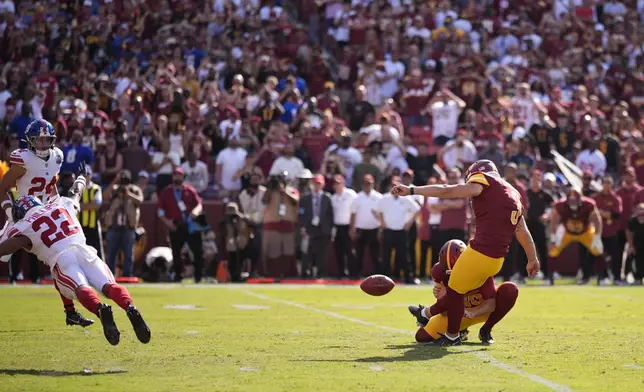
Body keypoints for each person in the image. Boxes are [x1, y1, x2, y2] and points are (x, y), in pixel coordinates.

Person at [391, 159, 539, 346]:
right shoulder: (514, 193)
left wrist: (412, 190)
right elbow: (522, 231)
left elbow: (446, 190)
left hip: (480, 252)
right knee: (457, 290)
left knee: (455, 291)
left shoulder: (483, 181)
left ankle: (452, 335)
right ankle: (430, 316)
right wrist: (532, 258)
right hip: (497, 259)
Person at [0, 167, 150, 346]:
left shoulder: (24, 225)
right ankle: (130, 308)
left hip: (62, 259)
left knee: (80, 289)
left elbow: (8, 247)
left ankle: (100, 310)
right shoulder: (61, 205)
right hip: (85, 250)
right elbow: (76, 191)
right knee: (109, 286)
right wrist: (81, 177)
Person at [0, 119, 92, 328]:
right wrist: (10, 213)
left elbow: (51, 185)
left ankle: (70, 312)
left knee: (59, 259)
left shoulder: (57, 156)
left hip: (47, 212)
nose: (42, 145)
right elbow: (2, 188)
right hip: (23, 216)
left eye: (46, 140)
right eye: (38, 140)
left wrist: (57, 204)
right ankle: (70, 312)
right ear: (30, 141)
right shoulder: (22, 159)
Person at [410, 240, 519, 344]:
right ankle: (459, 330)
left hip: (482, 311)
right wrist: (442, 297)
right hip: (457, 315)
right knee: (421, 337)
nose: (454, 275)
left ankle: (486, 329)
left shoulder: (480, 268)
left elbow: (490, 305)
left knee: (510, 290)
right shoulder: (438, 272)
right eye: (450, 273)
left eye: (458, 270)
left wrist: (472, 314)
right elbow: (444, 313)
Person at [157, 167, 205, 283]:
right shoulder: (166, 192)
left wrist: (196, 212)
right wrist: (167, 222)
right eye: (175, 175)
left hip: (190, 223)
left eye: (179, 175)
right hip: (175, 224)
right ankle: (178, 276)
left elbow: (199, 204)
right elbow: (160, 210)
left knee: (197, 251)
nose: (177, 177)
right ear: (172, 177)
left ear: (183, 177)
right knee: (176, 252)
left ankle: (198, 277)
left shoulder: (189, 190)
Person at [549, 189, 605, 285]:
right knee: (553, 250)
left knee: (598, 249)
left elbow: (597, 219)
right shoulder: (560, 205)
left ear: (580, 199)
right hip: (567, 231)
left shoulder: (589, 204)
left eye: (575, 200)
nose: (573, 203)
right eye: (571, 200)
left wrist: (597, 236)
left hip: (585, 231)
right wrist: (553, 235)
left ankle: (602, 278)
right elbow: (554, 220)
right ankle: (549, 278)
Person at [376, 176, 420, 284]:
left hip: (401, 231)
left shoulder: (406, 198)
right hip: (388, 230)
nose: (394, 188)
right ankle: (383, 280)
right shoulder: (384, 198)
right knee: (385, 256)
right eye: (392, 185)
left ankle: (408, 278)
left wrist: (409, 223)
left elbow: (417, 209)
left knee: (403, 256)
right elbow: (377, 210)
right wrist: (382, 223)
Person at [103, 170, 143, 277]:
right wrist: (115, 181)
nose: (123, 183)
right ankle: (110, 276)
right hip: (114, 226)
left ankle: (127, 275)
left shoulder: (134, 190)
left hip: (128, 226)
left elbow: (140, 201)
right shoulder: (114, 188)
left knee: (128, 254)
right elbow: (105, 196)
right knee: (111, 254)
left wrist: (128, 194)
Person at [261, 171, 299, 277]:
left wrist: (284, 191)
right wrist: (270, 187)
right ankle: (273, 274)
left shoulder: (292, 191)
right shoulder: (270, 192)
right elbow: (264, 201)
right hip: (273, 224)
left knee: (288, 251)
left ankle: (289, 274)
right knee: (273, 251)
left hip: (287, 223)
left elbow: (295, 201)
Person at [299, 174, 334, 278]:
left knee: (321, 253)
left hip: (323, 229)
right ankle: (305, 273)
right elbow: (301, 214)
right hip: (309, 228)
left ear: (323, 184)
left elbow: (330, 215)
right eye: (315, 183)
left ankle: (320, 273)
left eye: (319, 184)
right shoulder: (305, 198)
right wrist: (302, 227)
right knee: (307, 252)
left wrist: (331, 230)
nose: (317, 186)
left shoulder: (327, 198)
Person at [350, 174, 383, 278]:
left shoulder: (378, 197)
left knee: (376, 255)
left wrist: (381, 229)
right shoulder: (357, 197)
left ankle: (378, 276)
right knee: (358, 254)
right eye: (365, 184)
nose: (367, 186)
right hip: (361, 229)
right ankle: (356, 275)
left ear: (372, 184)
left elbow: (382, 215)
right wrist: (352, 229)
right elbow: (353, 214)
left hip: (374, 229)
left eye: (369, 184)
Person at [526, 171, 555, 284]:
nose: (535, 182)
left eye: (538, 179)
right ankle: (521, 275)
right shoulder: (526, 193)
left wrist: (547, 215)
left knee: (542, 250)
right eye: (533, 179)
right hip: (527, 225)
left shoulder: (545, 194)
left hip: (540, 225)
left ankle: (547, 275)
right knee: (524, 249)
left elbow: (554, 207)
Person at [593, 176, 623, 284]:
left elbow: (616, 214)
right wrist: (605, 214)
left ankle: (617, 278)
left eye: (609, 183)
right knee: (600, 255)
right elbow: (592, 213)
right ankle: (602, 277)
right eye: (605, 182)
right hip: (600, 232)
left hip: (613, 231)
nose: (606, 185)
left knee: (616, 256)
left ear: (612, 184)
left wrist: (602, 213)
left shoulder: (615, 198)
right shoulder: (596, 198)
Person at [330, 174, 357, 278]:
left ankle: (353, 273)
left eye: (339, 183)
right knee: (339, 252)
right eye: (336, 184)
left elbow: (355, 211)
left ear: (343, 183)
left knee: (350, 251)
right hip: (338, 227)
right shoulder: (333, 198)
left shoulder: (351, 194)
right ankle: (341, 273)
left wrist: (353, 227)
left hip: (348, 226)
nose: (337, 186)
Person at [79, 166, 104, 261]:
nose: (85, 176)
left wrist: (81, 205)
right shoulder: (77, 188)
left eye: (87, 174)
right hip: (80, 225)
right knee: (81, 251)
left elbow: (96, 205)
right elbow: (73, 205)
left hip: (93, 224)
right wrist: (89, 204)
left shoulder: (96, 188)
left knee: (97, 251)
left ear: (91, 175)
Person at [626, 203, 644, 285]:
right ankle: (637, 278)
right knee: (636, 262)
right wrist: (631, 246)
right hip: (637, 245)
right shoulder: (633, 220)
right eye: (639, 209)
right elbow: (629, 232)